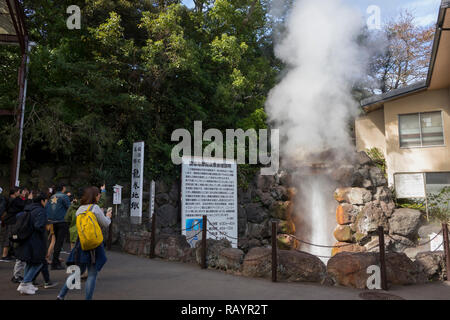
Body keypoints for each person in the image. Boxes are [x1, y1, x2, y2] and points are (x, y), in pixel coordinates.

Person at [57, 186, 111, 300]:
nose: (99, 196)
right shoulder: (95, 208)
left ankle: (61, 295)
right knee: (92, 274)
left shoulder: (79, 210)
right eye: (98, 195)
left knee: (77, 272)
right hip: (94, 244)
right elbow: (105, 223)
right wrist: (108, 217)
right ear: (94, 196)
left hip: (81, 243)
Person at [15, 191, 49, 295]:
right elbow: (38, 226)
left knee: (30, 262)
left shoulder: (28, 208)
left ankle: (27, 283)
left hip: (26, 239)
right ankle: (25, 283)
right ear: (42, 201)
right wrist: (45, 226)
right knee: (38, 262)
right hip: (36, 240)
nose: (47, 203)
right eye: (47, 201)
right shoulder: (40, 211)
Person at [46, 183, 71, 270]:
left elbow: (47, 208)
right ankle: (55, 263)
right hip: (62, 221)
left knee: (56, 241)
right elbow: (69, 207)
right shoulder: (64, 196)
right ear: (63, 188)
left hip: (53, 221)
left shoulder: (52, 197)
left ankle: (55, 261)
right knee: (59, 243)